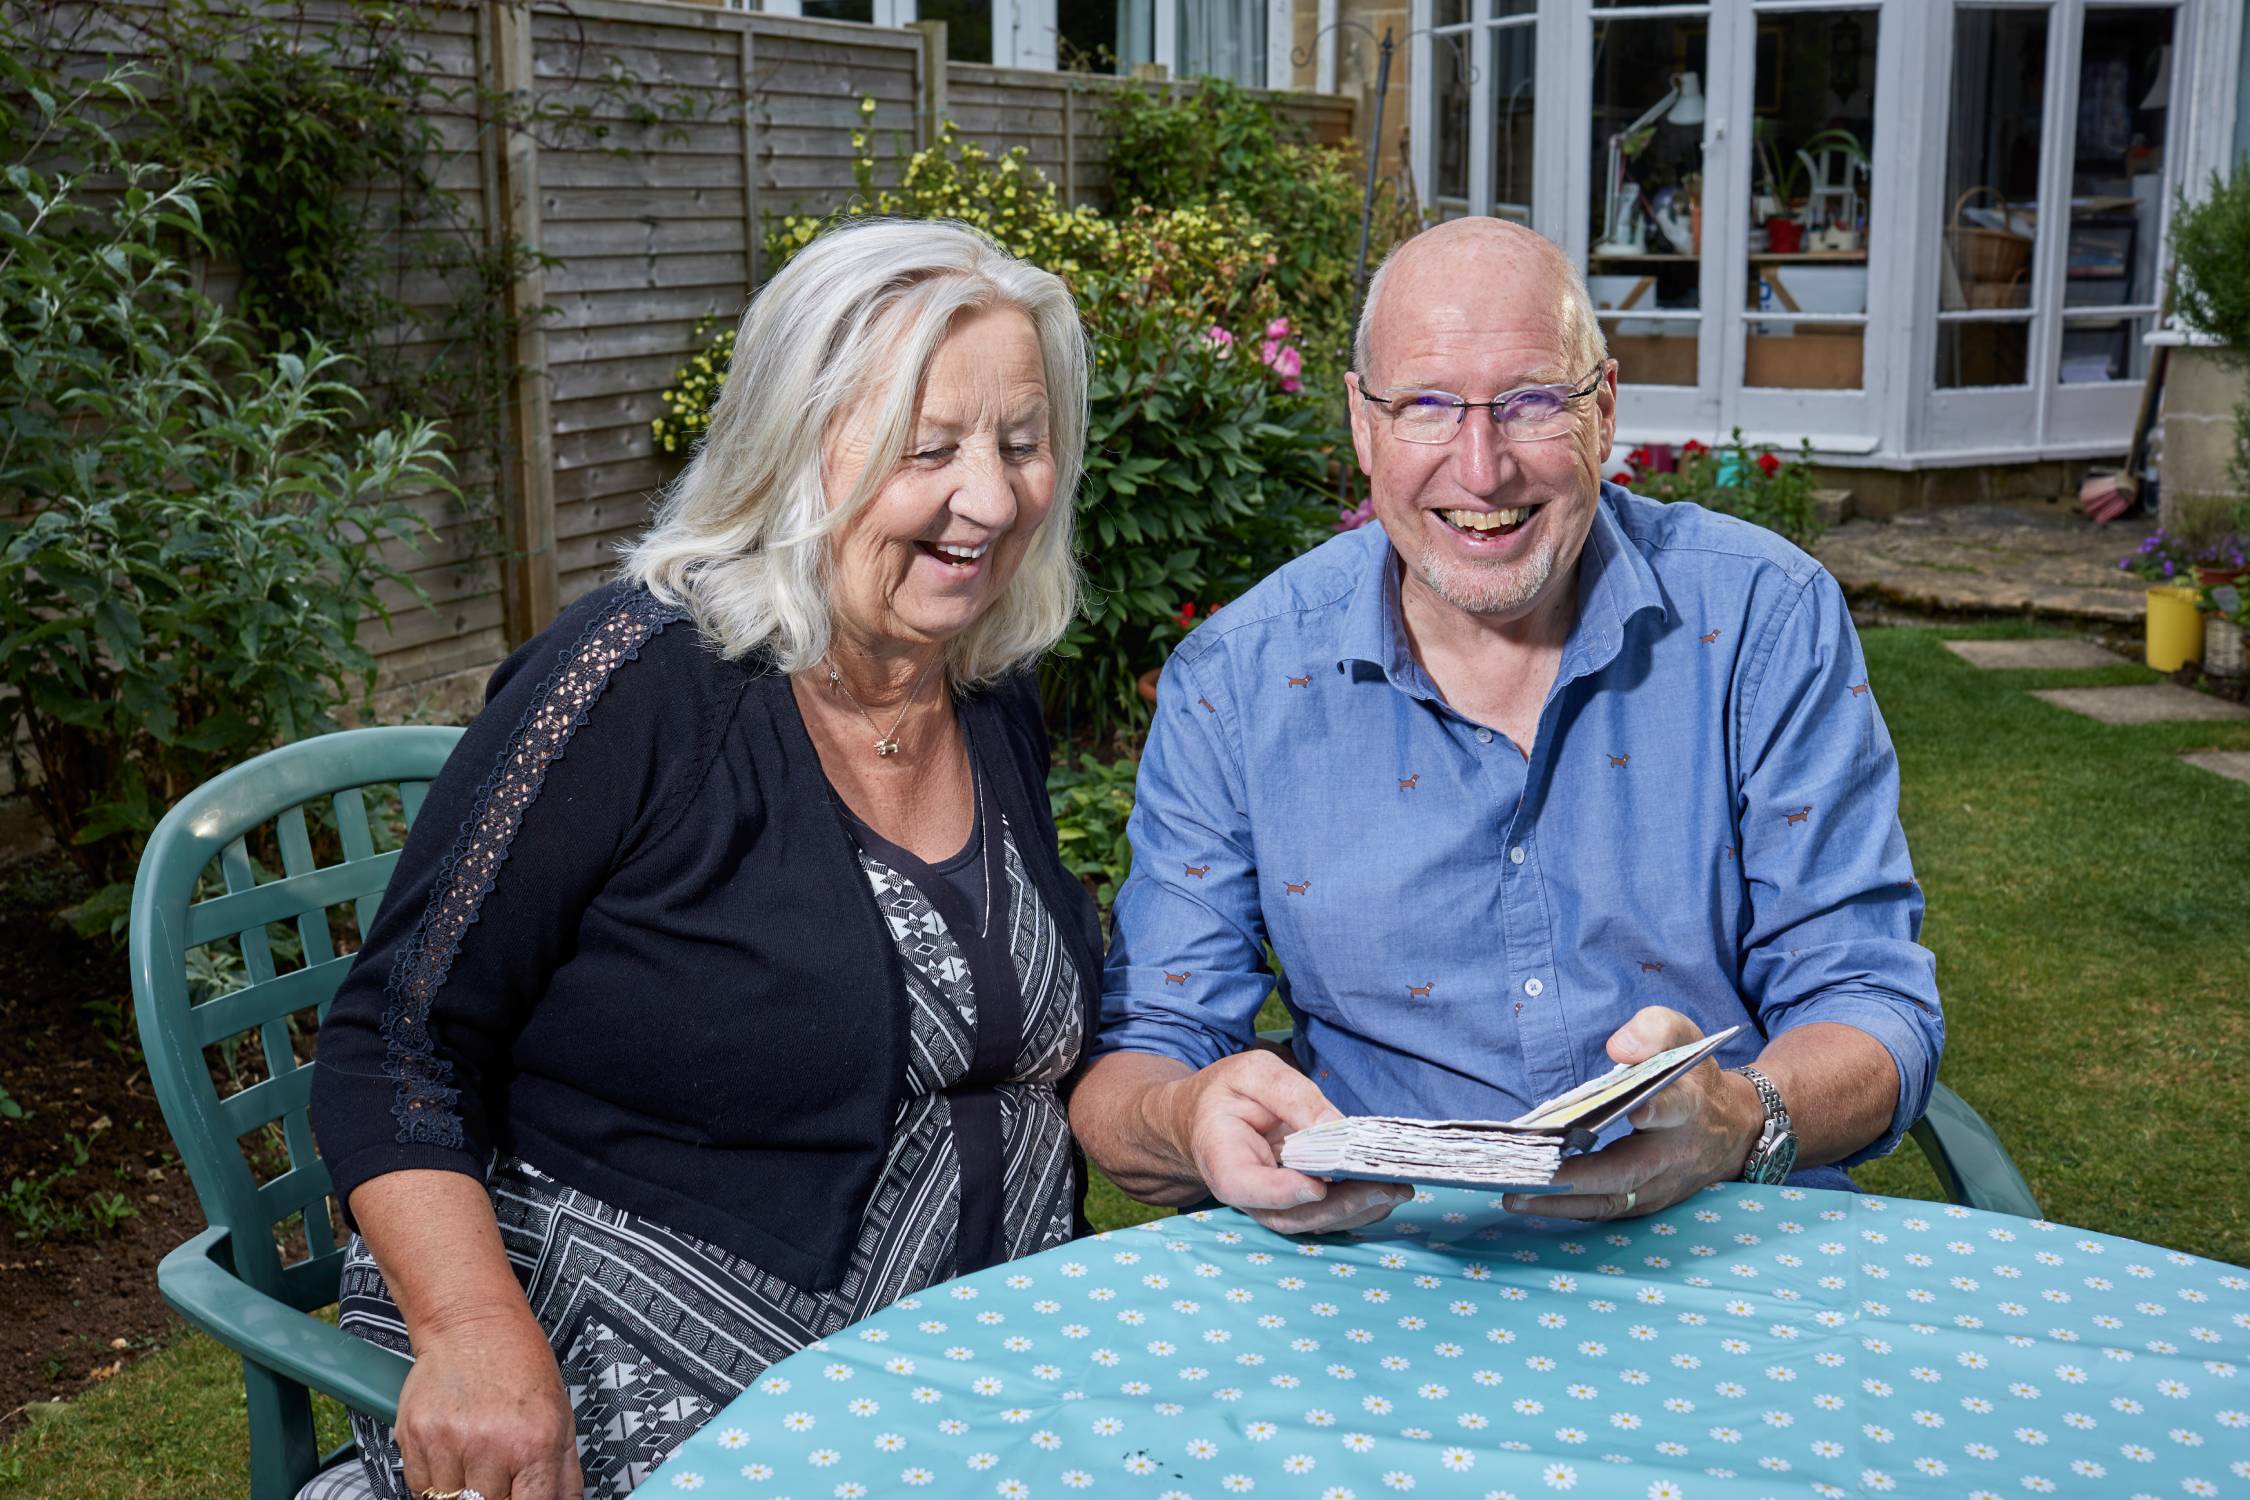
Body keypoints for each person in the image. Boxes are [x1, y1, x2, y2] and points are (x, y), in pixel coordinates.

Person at [308, 219, 1102, 1500]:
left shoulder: (989, 692)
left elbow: (1016, 1020)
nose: (995, 497)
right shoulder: (635, 684)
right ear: (799, 447)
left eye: (1020, 443)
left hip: (976, 1367)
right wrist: (471, 1337)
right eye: (930, 448)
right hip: (650, 1367)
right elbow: (394, 1041)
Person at [1070, 216, 1943, 1240]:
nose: (1481, 472)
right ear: (1362, 423)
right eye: (1427, 407)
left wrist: (1737, 1118)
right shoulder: (1240, 680)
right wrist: (1187, 1117)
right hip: (1385, 1269)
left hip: (1723, 1247)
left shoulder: (1762, 618)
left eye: (1531, 403)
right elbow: (1145, 1051)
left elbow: (1872, 1001)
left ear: (1604, 410)